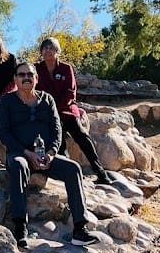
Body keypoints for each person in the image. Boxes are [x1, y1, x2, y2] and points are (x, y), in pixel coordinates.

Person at [0, 62, 98, 249]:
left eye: (30, 74)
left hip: (46, 155)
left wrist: (51, 153)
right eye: (21, 75)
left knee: (73, 168)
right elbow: (4, 134)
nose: (26, 77)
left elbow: (56, 130)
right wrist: (27, 153)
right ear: (15, 79)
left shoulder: (47, 99)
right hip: (20, 154)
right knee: (18, 165)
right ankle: (20, 228)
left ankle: (79, 229)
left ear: (36, 78)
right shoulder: (6, 102)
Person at [35, 36, 115, 185]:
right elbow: (35, 92)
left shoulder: (66, 68)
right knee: (57, 141)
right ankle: (67, 175)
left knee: (82, 137)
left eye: (51, 48)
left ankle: (101, 173)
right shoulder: (37, 69)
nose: (48, 51)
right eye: (45, 48)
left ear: (57, 51)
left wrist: (56, 109)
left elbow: (70, 93)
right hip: (48, 114)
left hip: (66, 110)